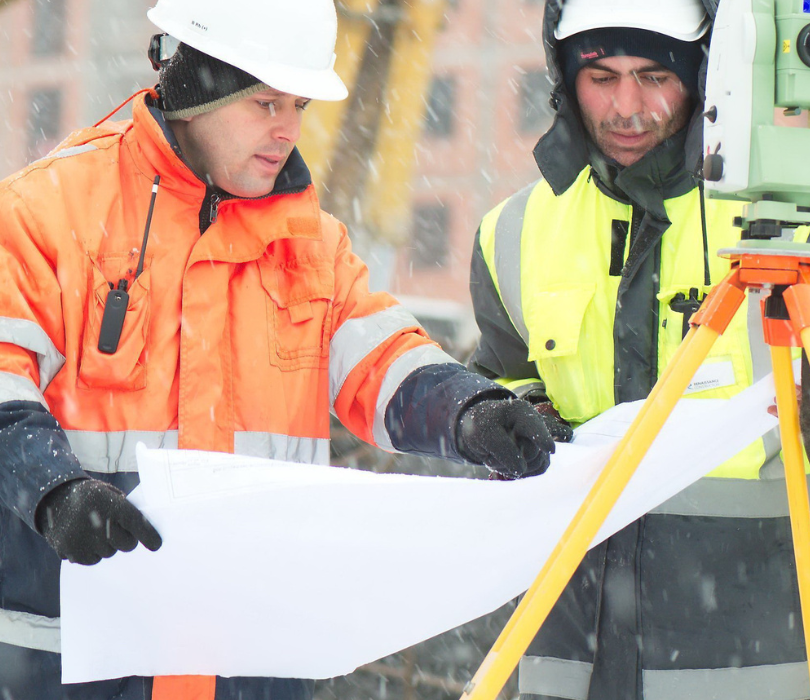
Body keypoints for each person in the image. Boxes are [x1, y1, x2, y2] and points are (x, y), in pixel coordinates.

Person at [0, 1, 560, 698]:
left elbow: (383, 363)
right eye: (266, 103)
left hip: (248, 667)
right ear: (199, 89)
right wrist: (54, 492)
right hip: (78, 663)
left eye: (297, 104)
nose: (289, 131)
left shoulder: (310, 245)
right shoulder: (45, 214)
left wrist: (470, 411)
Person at [466, 0, 810, 697]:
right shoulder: (513, 230)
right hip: (563, 655)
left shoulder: (802, 204)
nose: (626, 106)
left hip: (749, 656)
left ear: (705, 72)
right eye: (601, 76)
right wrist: (511, 419)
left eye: (654, 75)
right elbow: (501, 377)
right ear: (562, 75)